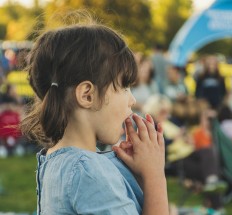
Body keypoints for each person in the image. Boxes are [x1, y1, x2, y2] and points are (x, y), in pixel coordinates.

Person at [20, 23, 169, 215]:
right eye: (123, 87)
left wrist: (137, 177)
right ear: (87, 95)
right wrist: (155, 176)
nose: (132, 100)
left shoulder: (59, 161)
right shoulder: (87, 172)